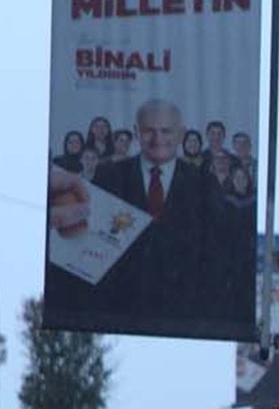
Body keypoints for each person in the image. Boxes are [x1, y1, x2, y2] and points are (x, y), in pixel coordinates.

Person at [83, 99, 238, 324]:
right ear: (136, 132)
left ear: (180, 133)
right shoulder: (109, 176)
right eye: (148, 131)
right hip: (118, 310)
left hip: (186, 311)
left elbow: (216, 251)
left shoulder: (203, 183)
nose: (158, 139)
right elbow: (92, 246)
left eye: (166, 131)